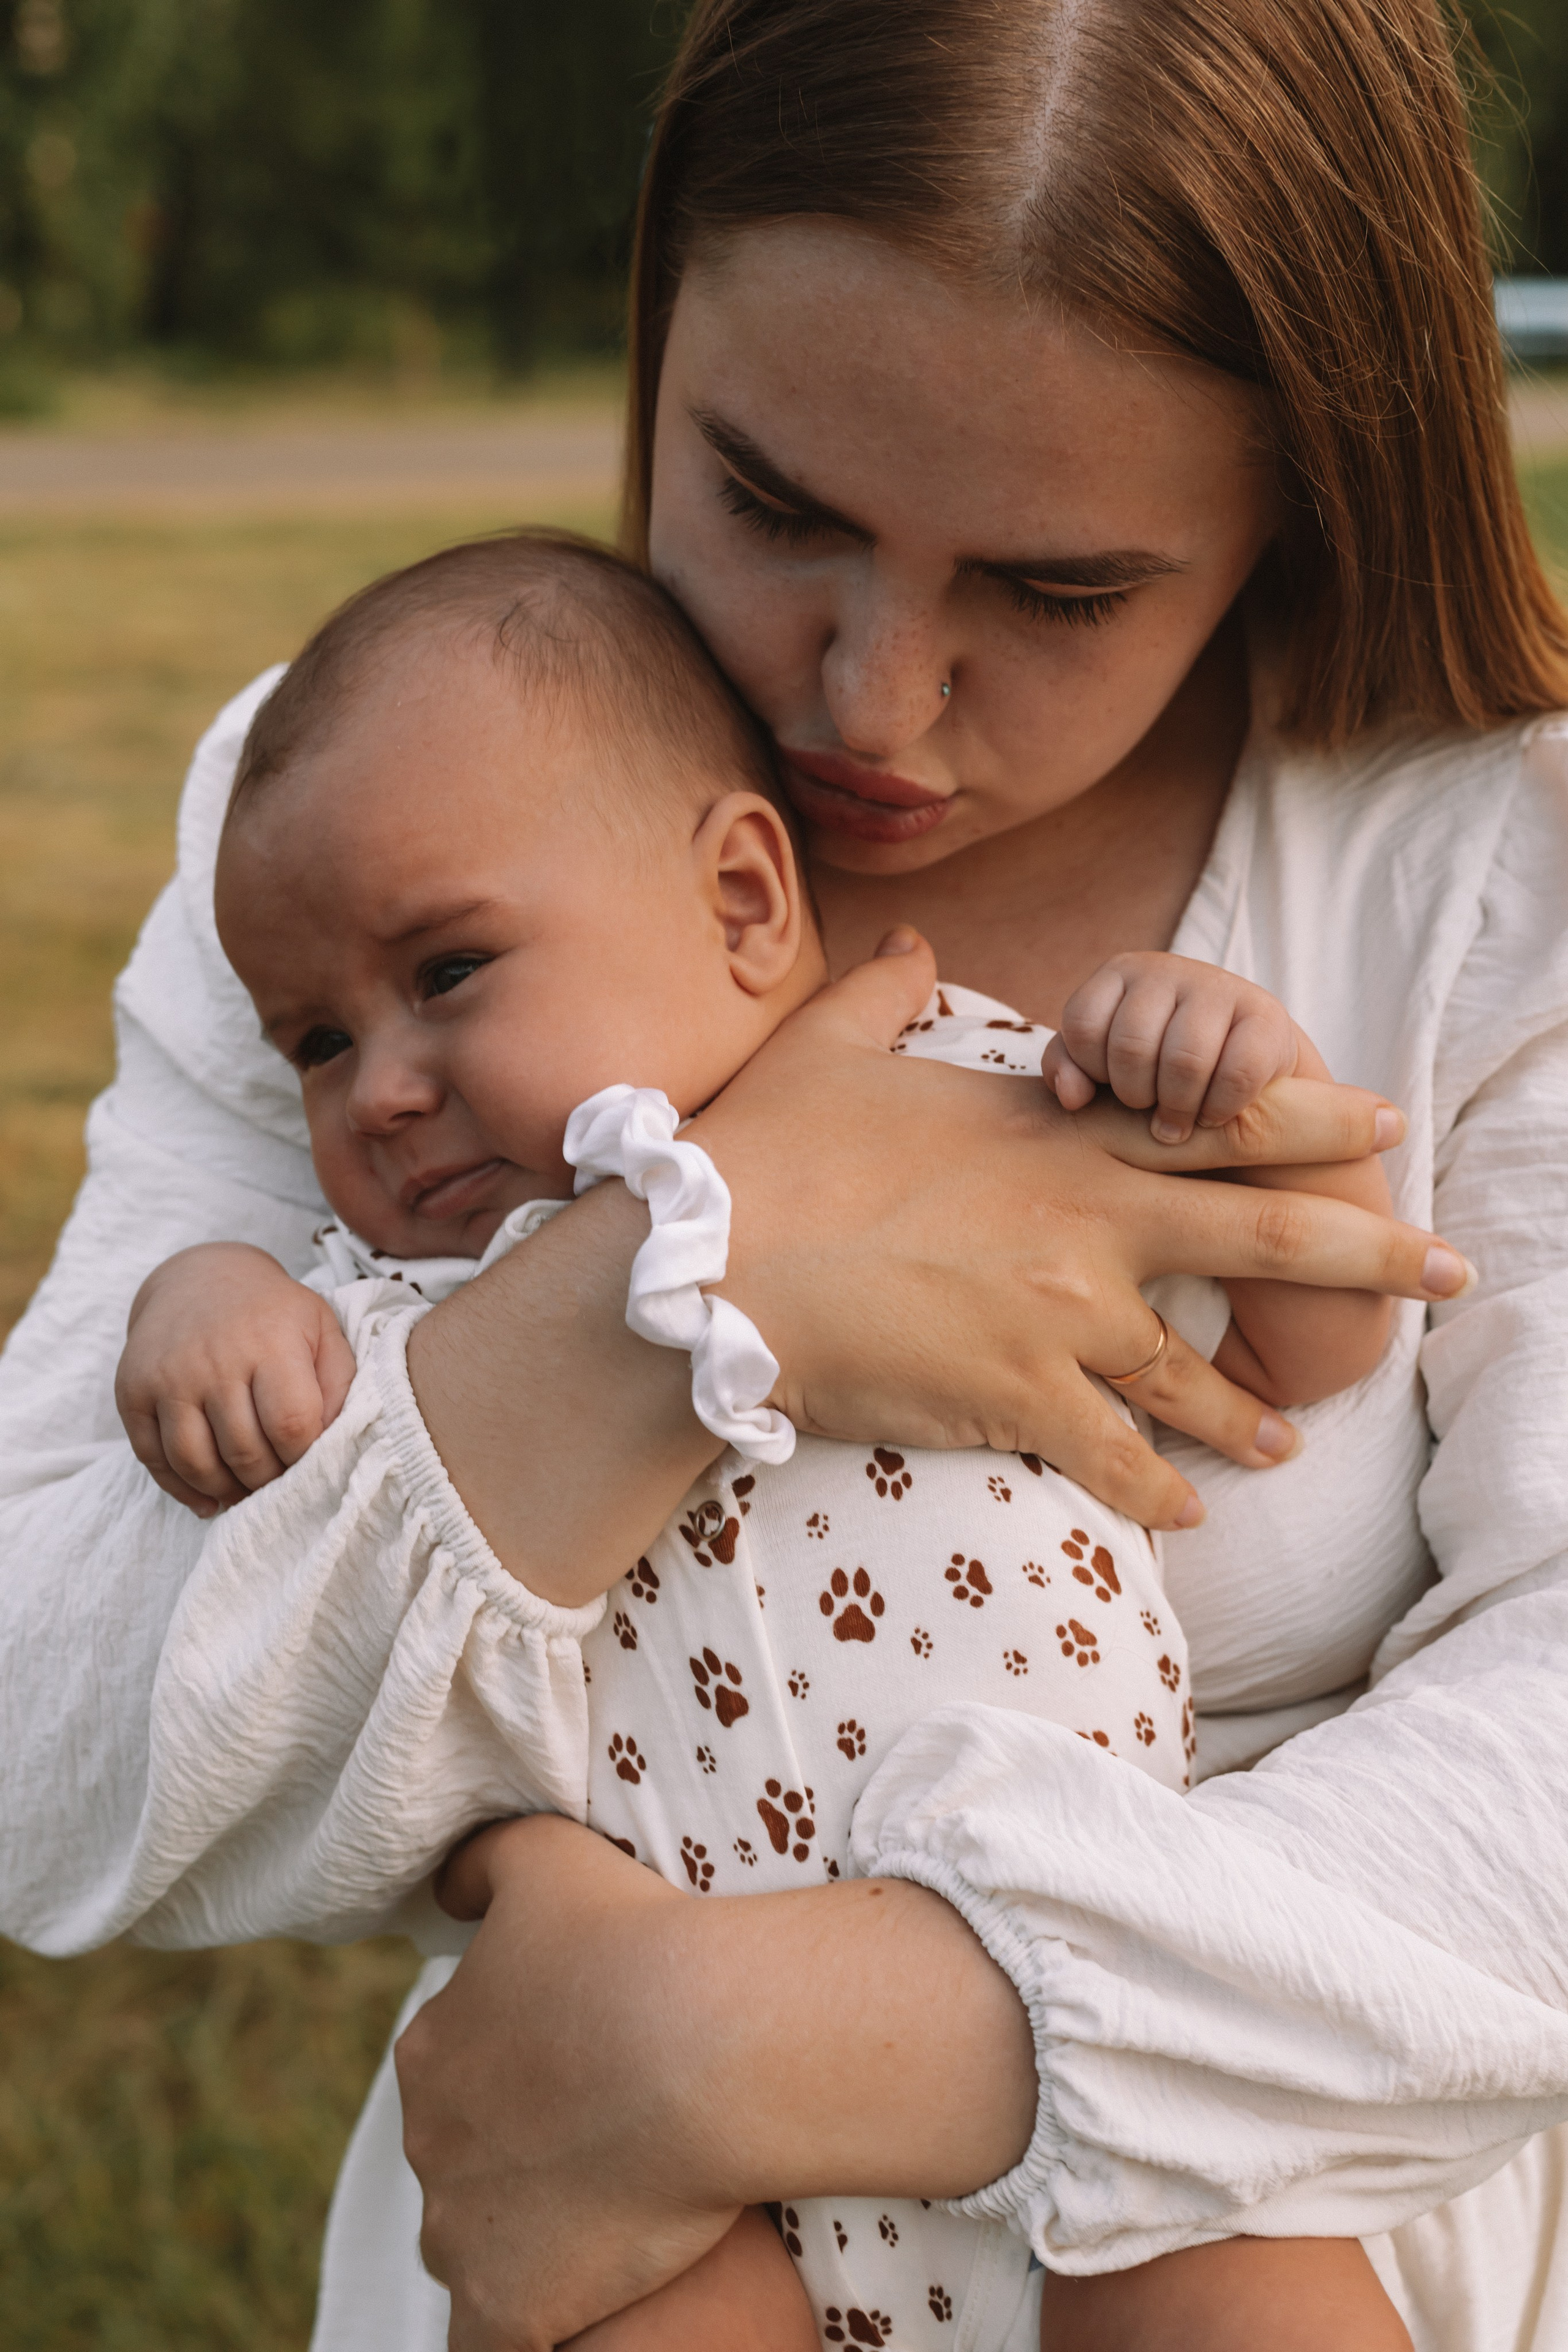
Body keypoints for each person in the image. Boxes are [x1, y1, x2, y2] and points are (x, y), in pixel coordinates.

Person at [2, 0, 1567, 2345]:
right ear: (660, 327)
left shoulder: (1486, 870)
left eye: (1055, 592)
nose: (871, 699)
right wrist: (706, 1283)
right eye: (773, 503)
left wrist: (736, 2051)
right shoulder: (386, 833)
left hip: (1228, 2214)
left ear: (1299, 497)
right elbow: (55, 1742)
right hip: (622, 2260)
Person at [113, 527, 1424, 2348]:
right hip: (663, 2123)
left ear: (742, 900)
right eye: (316, 1041)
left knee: (1252, 2296)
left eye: (451, 972)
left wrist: (1238, 1079)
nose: (382, 1088)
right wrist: (202, 1309)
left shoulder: (970, 1094)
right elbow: (274, 1514)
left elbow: (1315, 1335)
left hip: (1062, 1988)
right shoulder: (420, 1305)